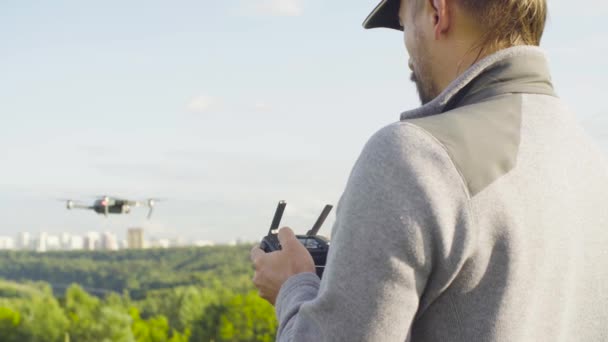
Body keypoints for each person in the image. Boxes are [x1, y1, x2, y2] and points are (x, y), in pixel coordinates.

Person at [250, 0, 608, 340]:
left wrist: (293, 288)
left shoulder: (412, 156)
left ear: (438, 11)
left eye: (406, 23)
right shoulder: (592, 162)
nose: (407, 54)